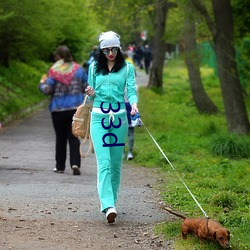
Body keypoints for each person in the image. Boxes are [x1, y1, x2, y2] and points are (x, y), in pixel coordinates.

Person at [85, 31, 138, 223]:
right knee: (104, 163)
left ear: (119, 48)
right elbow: (91, 97)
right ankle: (107, 205)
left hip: (119, 119)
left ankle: (112, 201)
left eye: (114, 49)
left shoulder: (127, 68)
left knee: (116, 164)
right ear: (101, 50)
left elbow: (131, 90)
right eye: (106, 50)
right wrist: (90, 92)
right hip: (99, 117)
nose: (110, 53)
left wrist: (134, 104)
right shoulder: (93, 68)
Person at [39, 45, 88, 175]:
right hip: (75, 109)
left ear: (58, 57)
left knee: (60, 138)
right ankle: (75, 163)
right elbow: (86, 87)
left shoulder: (54, 71)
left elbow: (47, 90)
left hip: (58, 109)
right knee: (74, 137)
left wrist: (42, 83)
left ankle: (60, 166)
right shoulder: (79, 70)